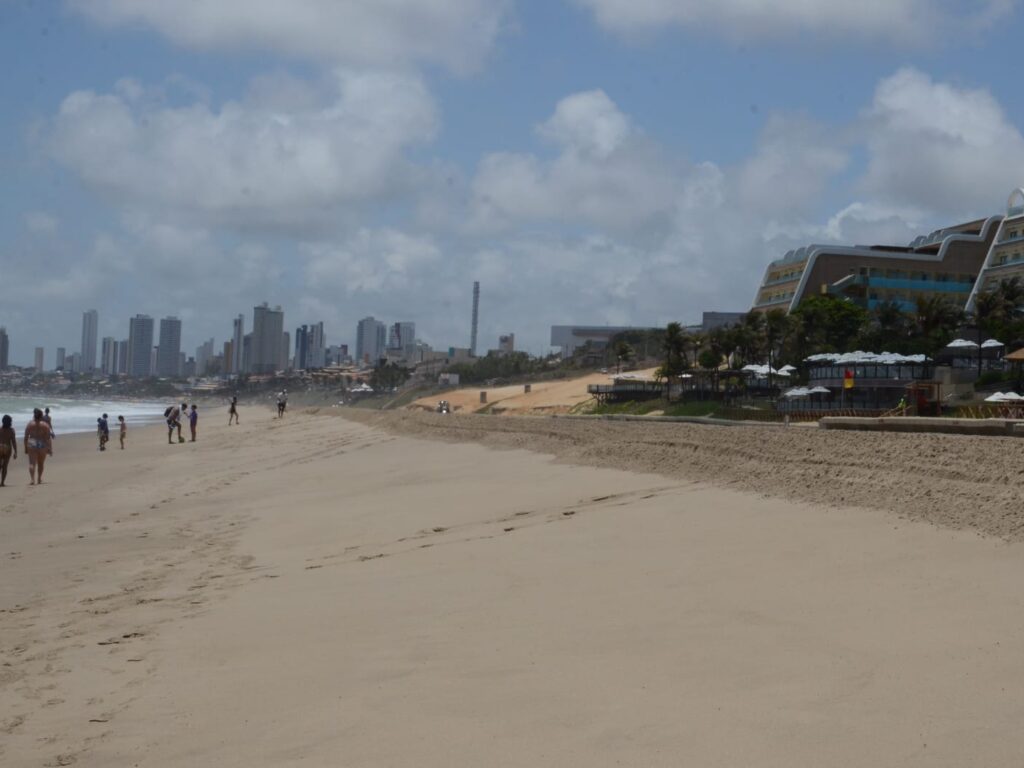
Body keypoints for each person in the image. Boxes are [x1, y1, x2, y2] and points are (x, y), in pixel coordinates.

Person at [24, 408, 52, 485]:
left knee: (32, 463)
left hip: (32, 442)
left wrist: (26, 447)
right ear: (41, 416)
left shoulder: (30, 424)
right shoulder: (45, 425)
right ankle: (39, 478)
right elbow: (48, 438)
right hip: (42, 443)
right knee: (41, 463)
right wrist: (50, 448)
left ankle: (32, 479)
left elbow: (26, 437)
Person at [0, 415, 17, 487]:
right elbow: (13, 441)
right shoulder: (11, 430)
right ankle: (2, 482)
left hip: (0, 447)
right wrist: (16, 452)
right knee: (5, 466)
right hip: (7, 448)